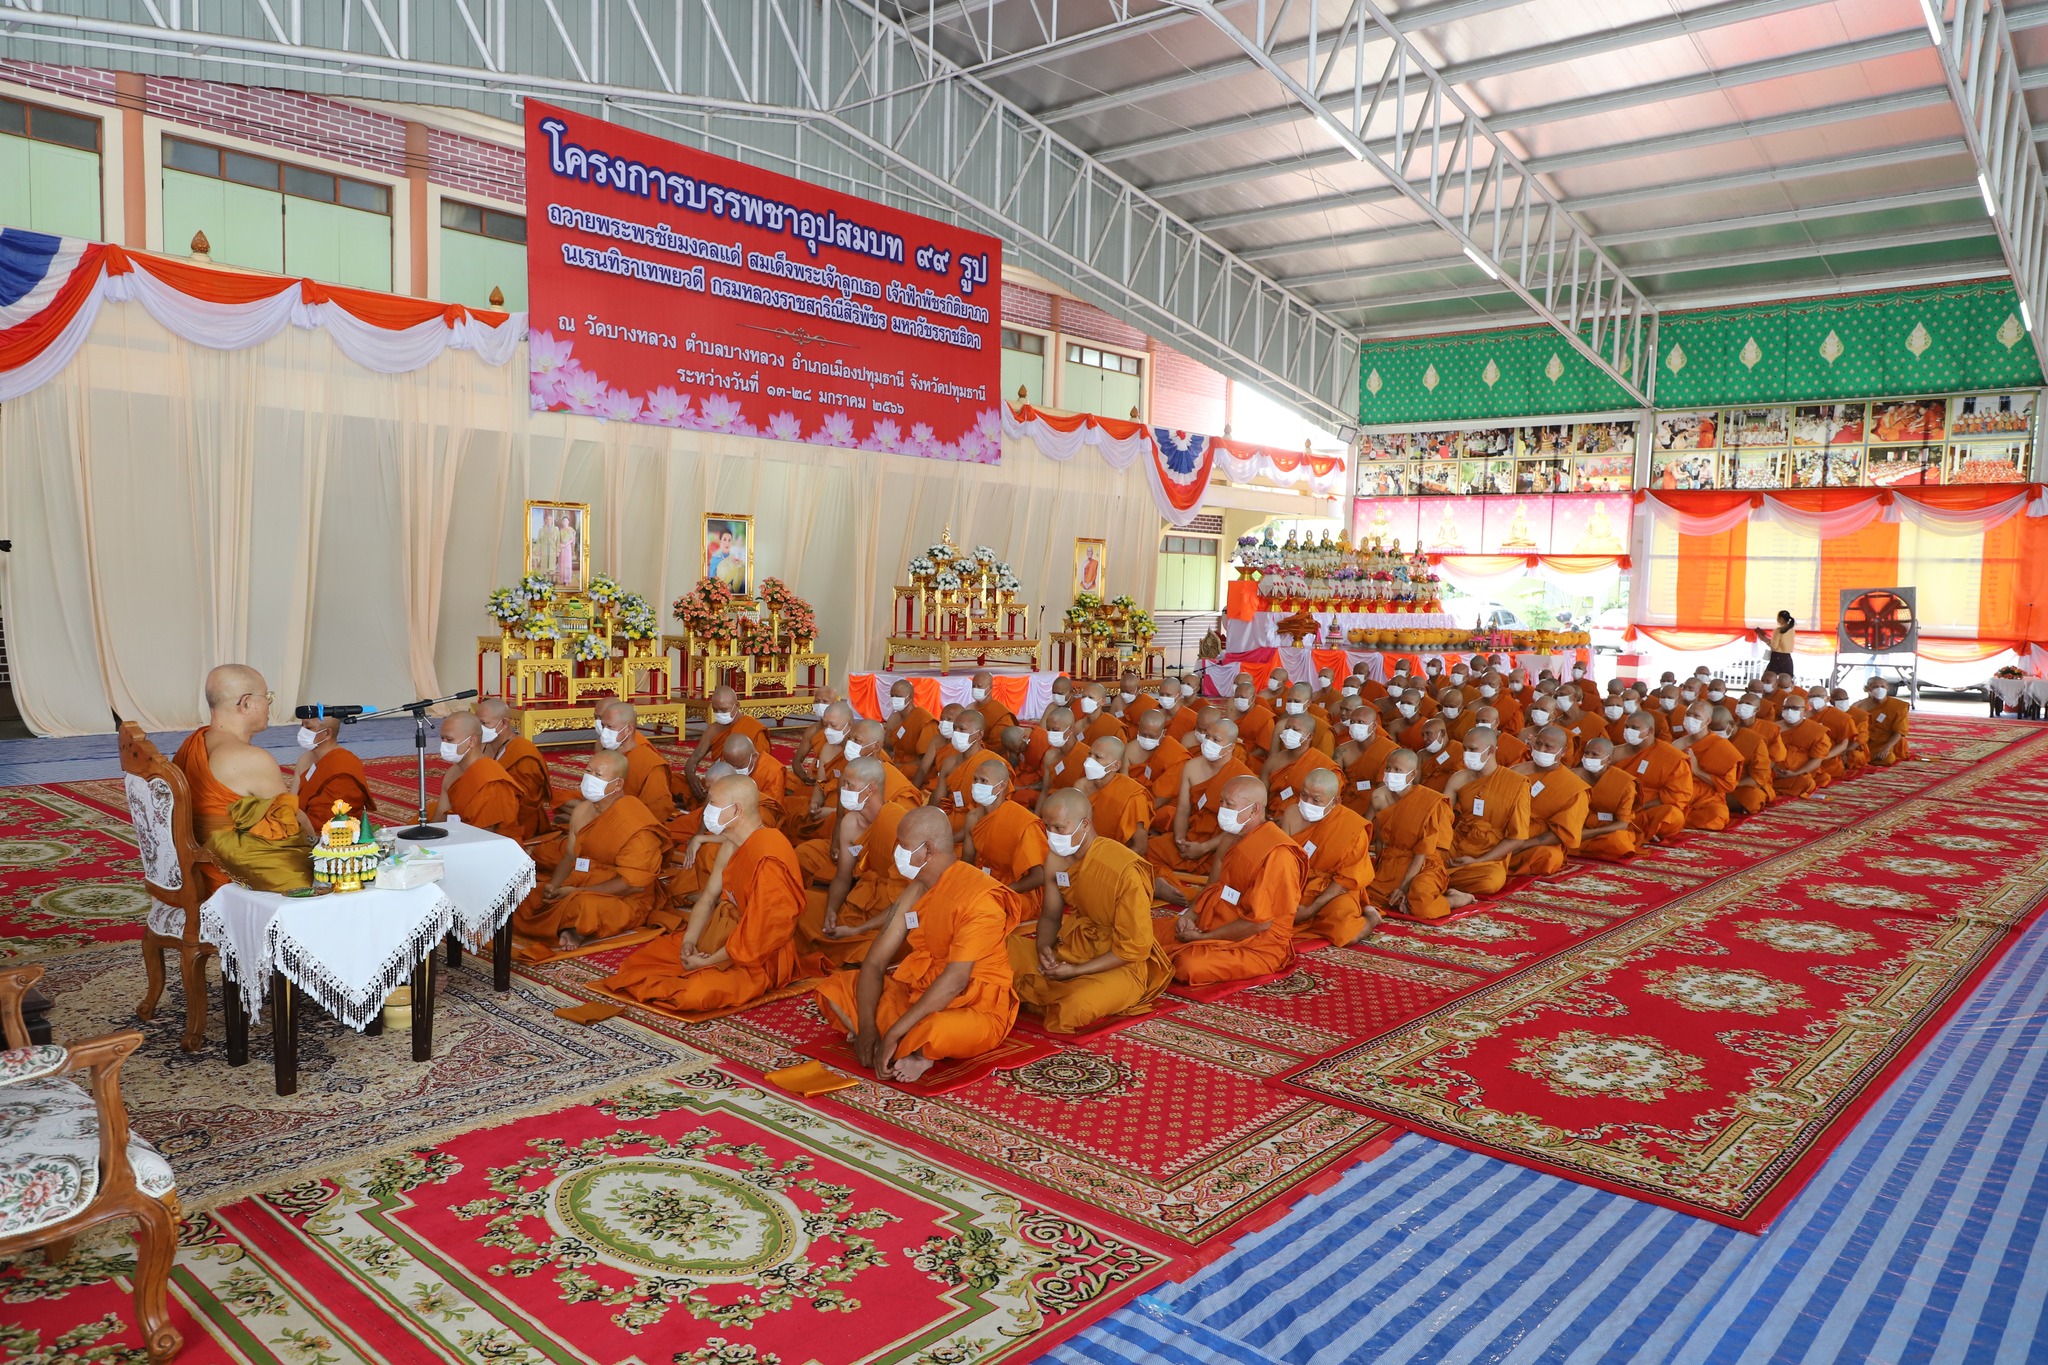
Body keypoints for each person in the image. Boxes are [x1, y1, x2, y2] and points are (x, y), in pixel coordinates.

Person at [816, 807, 1020, 1083]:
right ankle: (905, 1046)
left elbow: (956, 982)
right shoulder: (916, 889)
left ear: (928, 850)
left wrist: (891, 1034)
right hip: (918, 991)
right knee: (835, 988)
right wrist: (866, 1029)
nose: (896, 851)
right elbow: (875, 962)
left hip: (974, 1006)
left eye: (903, 845)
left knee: (937, 1029)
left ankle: (917, 1050)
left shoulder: (979, 899)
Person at [603, 775, 808, 1013]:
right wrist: (690, 941)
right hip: (720, 934)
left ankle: (705, 970)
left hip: (757, 955)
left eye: (713, 803)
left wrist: (709, 961)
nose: (706, 811)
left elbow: (763, 934)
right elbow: (708, 898)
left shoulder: (769, 855)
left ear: (736, 811)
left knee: (695, 994)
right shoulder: (731, 844)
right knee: (642, 962)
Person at [1008, 788, 1171, 1033]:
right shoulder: (1055, 858)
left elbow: (1133, 949)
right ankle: (1042, 988)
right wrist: (1043, 947)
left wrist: (1076, 971)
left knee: (1074, 1006)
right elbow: (1051, 915)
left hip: (1120, 964)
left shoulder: (1123, 869)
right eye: (1047, 828)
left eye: (1059, 828)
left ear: (1084, 824)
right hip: (1073, 947)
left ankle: (1039, 992)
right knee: (1000, 947)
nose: (1052, 836)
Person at [514, 749, 672, 953]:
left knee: (583, 907)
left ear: (618, 784)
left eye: (598, 775)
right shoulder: (582, 810)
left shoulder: (635, 821)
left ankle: (577, 929)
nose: (590, 779)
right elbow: (570, 855)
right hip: (580, 879)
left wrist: (578, 891)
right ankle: (564, 921)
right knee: (526, 895)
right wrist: (554, 884)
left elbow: (633, 886)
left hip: (622, 896)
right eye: (588, 771)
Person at [175, 665, 313, 894]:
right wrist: (319, 846)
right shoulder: (250, 759)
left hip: (193, 868)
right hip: (228, 877)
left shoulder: (192, 743)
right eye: (268, 697)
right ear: (246, 703)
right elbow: (293, 822)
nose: (269, 704)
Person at [1153, 775, 1304, 985]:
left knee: (1186, 965)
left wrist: (1205, 938)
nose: (1222, 808)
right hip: (1212, 920)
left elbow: (1260, 924)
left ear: (1254, 809)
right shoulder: (1229, 838)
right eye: (1221, 801)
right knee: (1147, 933)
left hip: (1255, 944)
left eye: (1229, 804)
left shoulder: (1277, 853)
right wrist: (1189, 917)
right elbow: (1212, 887)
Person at [794, 757, 916, 968]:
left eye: (850, 785)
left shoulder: (899, 825)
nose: (844, 790)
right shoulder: (850, 823)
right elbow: (843, 876)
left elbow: (908, 900)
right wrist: (831, 911)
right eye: (844, 784)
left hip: (895, 913)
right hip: (860, 902)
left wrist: (857, 930)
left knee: (869, 949)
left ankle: (853, 947)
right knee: (799, 908)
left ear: (870, 789)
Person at [1279, 767, 1377, 947]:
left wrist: (1310, 910)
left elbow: (1344, 880)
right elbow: (1283, 861)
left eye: (1316, 800)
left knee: (1346, 933)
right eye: (1304, 795)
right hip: (1298, 884)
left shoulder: (1352, 827)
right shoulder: (1292, 814)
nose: (1308, 803)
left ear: (1335, 802)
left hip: (1334, 890)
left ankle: (1371, 918)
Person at [1442, 727, 1533, 908]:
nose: (1467, 754)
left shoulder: (1516, 784)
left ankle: (1436, 878)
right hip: (1457, 843)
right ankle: (1438, 877)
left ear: (1491, 750)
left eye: (1473, 750)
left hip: (1489, 853)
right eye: (1465, 749)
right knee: (1420, 859)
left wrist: (1478, 861)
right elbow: (1441, 818)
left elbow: (1518, 838)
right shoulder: (1459, 778)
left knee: (1490, 882)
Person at [959, 759, 1049, 927]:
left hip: (1017, 891)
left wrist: (1002, 892)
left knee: (980, 912)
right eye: (975, 780)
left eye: (984, 781)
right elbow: (967, 861)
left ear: (1001, 786)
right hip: (985, 879)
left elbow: (1039, 876)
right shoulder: (973, 818)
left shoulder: (1023, 821)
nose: (977, 785)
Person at [1365, 751, 1453, 920]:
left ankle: (1454, 899)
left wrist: (1404, 887)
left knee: (1422, 905)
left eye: (1398, 770)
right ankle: (1405, 899)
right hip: (1392, 863)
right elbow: (1376, 838)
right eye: (1388, 768)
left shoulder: (1428, 802)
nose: (1391, 774)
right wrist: (1376, 870)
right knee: (1364, 896)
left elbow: (1422, 852)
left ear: (1412, 774)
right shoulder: (1378, 797)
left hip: (1424, 865)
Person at [1505, 725, 1589, 877]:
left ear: (1562, 752)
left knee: (1549, 857)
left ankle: (1496, 861)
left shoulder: (1574, 787)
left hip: (1534, 842)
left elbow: (1563, 833)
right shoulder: (1516, 771)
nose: (1541, 750)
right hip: (1506, 832)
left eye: (1548, 747)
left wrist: (1522, 844)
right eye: (1538, 744)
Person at [427, 712, 522, 838]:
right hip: (461, 834)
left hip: (494, 845)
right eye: (442, 739)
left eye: (449, 740)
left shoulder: (490, 778)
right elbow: (440, 818)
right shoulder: (452, 772)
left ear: (471, 741)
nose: (444, 745)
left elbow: (486, 833)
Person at [477, 698, 553, 838]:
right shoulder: (482, 746)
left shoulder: (523, 751)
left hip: (515, 819)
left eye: (484, 723)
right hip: (483, 809)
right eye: (477, 723)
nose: (479, 729)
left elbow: (528, 801)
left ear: (504, 723)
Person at [681, 687, 768, 808]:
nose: (720, 714)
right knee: (674, 781)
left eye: (723, 709)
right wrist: (692, 779)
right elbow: (694, 758)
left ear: (736, 705)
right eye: (715, 710)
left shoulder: (753, 729)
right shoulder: (713, 729)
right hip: (717, 782)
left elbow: (762, 770)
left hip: (745, 785)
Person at [593, 700, 677, 823]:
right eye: (603, 726)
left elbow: (658, 809)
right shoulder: (605, 751)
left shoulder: (648, 762)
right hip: (607, 809)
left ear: (629, 729)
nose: (605, 731)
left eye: (610, 727)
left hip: (635, 820)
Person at [1616, 712, 1692, 845]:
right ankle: (1630, 828)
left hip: (1648, 809)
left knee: (1673, 815)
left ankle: (1628, 828)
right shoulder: (1616, 752)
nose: (1628, 731)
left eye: (1634, 728)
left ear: (1650, 731)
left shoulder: (1671, 756)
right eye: (1626, 727)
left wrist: (1640, 806)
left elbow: (1678, 795)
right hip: (1619, 805)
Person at [292, 714, 374, 829]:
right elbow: (291, 803)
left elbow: (332, 821)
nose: (302, 732)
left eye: (309, 728)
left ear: (327, 734)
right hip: (299, 824)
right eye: (302, 726)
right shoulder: (305, 759)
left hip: (331, 835)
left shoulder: (343, 764)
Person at [1673, 702, 1742, 830]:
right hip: (1680, 794)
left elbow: (1728, 785)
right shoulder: (1677, 744)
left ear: (1708, 720)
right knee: (1664, 809)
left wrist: (1697, 771)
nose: (1690, 719)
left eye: (1696, 716)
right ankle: (1676, 819)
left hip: (1707, 798)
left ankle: (1678, 821)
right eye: (1688, 714)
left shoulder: (1721, 746)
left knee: (1717, 816)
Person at [1075, 736, 1152, 850]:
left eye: (1098, 757)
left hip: (1114, 854)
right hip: (1082, 849)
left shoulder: (1133, 797)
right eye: (1089, 754)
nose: (1089, 761)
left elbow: (1140, 847)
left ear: (1115, 766)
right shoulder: (1080, 785)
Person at [1576, 736, 1640, 860]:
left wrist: (1588, 834)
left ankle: (1577, 845)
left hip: (1607, 829)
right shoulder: (1574, 776)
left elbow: (1622, 824)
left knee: (1619, 842)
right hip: (1579, 825)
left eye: (1594, 754)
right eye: (1586, 753)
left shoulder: (1624, 782)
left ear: (1608, 759)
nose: (1588, 757)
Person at [883, 679, 940, 772]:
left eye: (898, 696)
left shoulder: (923, 719)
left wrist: (899, 768)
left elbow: (927, 760)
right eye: (892, 696)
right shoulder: (893, 718)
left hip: (916, 770)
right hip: (896, 767)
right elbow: (887, 748)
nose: (894, 699)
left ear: (910, 697)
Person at [1857, 676, 1913, 765]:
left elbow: (1900, 731)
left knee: (1888, 758)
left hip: (1888, 742)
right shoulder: (1858, 706)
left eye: (1883, 687)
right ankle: (1863, 758)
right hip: (1865, 742)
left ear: (1887, 688)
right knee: (1853, 756)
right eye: (1875, 686)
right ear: (1866, 688)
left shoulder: (1899, 706)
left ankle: (1865, 758)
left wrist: (1886, 748)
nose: (1879, 689)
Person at [970, 671, 1015, 735]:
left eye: (979, 686)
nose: (975, 689)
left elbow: (1001, 741)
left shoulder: (1000, 713)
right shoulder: (970, 707)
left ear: (991, 687)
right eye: (973, 686)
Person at [1763, 610, 1797, 678]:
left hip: (1777, 657)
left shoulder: (1778, 630)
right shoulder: (1792, 630)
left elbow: (1774, 646)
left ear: (1781, 619)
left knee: (1769, 677)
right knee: (1786, 678)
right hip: (1787, 657)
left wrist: (1765, 640)